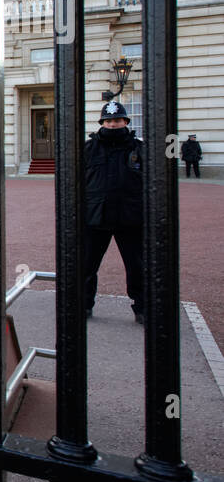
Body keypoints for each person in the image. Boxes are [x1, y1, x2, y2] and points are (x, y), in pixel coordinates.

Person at [82, 99, 145, 324]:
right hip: (96, 216)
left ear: (125, 121)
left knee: (138, 266)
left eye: (117, 120)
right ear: (102, 123)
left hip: (130, 216)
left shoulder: (139, 148)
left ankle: (142, 307)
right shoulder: (88, 149)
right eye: (108, 121)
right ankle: (83, 305)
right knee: (87, 265)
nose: (112, 125)